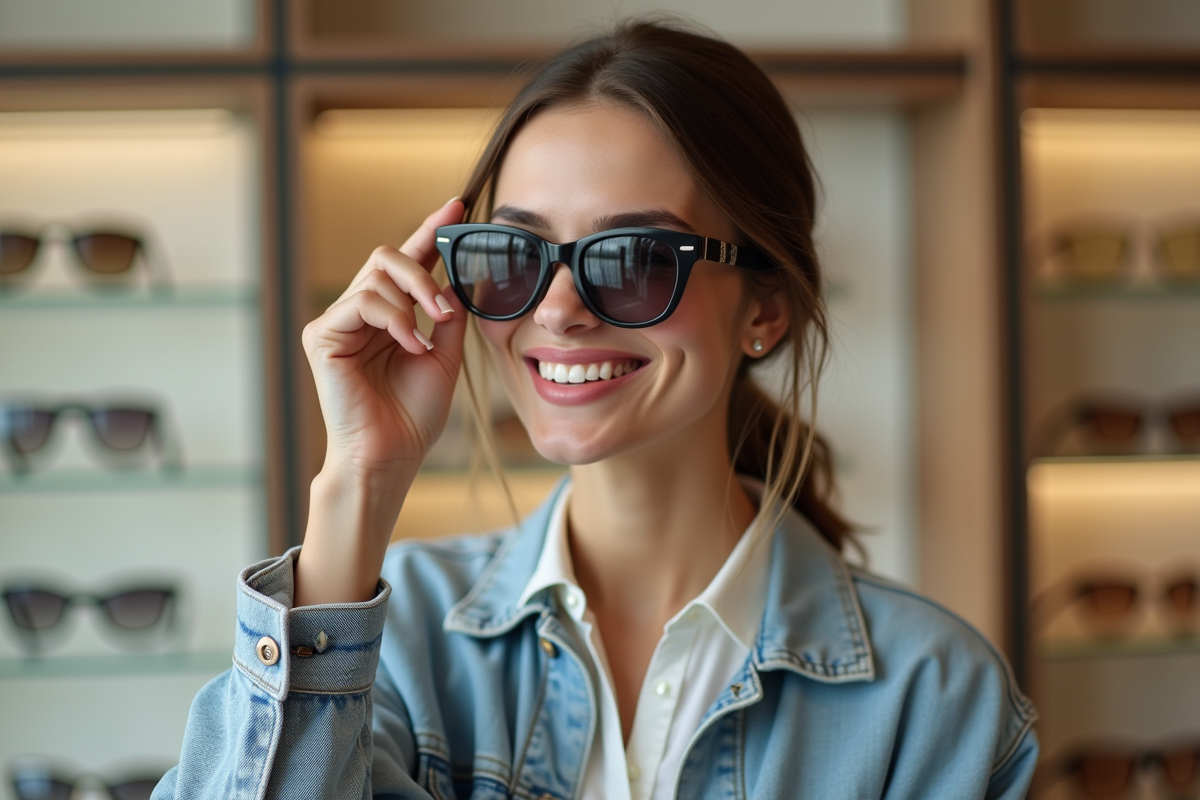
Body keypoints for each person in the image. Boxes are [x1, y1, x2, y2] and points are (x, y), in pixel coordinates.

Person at [154, 20, 1037, 800]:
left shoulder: (934, 697)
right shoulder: (395, 639)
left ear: (764, 311)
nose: (558, 309)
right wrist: (355, 482)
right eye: (514, 254)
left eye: (638, 257)